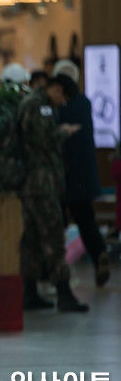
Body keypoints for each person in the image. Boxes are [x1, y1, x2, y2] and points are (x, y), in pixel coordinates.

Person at [17, 74, 89, 312]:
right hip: (41, 184)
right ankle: (64, 294)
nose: (64, 103)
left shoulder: (33, 103)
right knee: (53, 237)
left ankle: (29, 292)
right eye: (64, 97)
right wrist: (64, 132)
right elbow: (43, 140)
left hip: (32, 183)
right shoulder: (40, 107)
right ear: (55, 89)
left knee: (32, 239)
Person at [54, 65, 110, 287]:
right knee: (86, 221)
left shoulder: (58, 109)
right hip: (83, 177)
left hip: (62, 176)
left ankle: (55, 273)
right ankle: (99, 255)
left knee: (55, 225)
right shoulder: (85, 103)